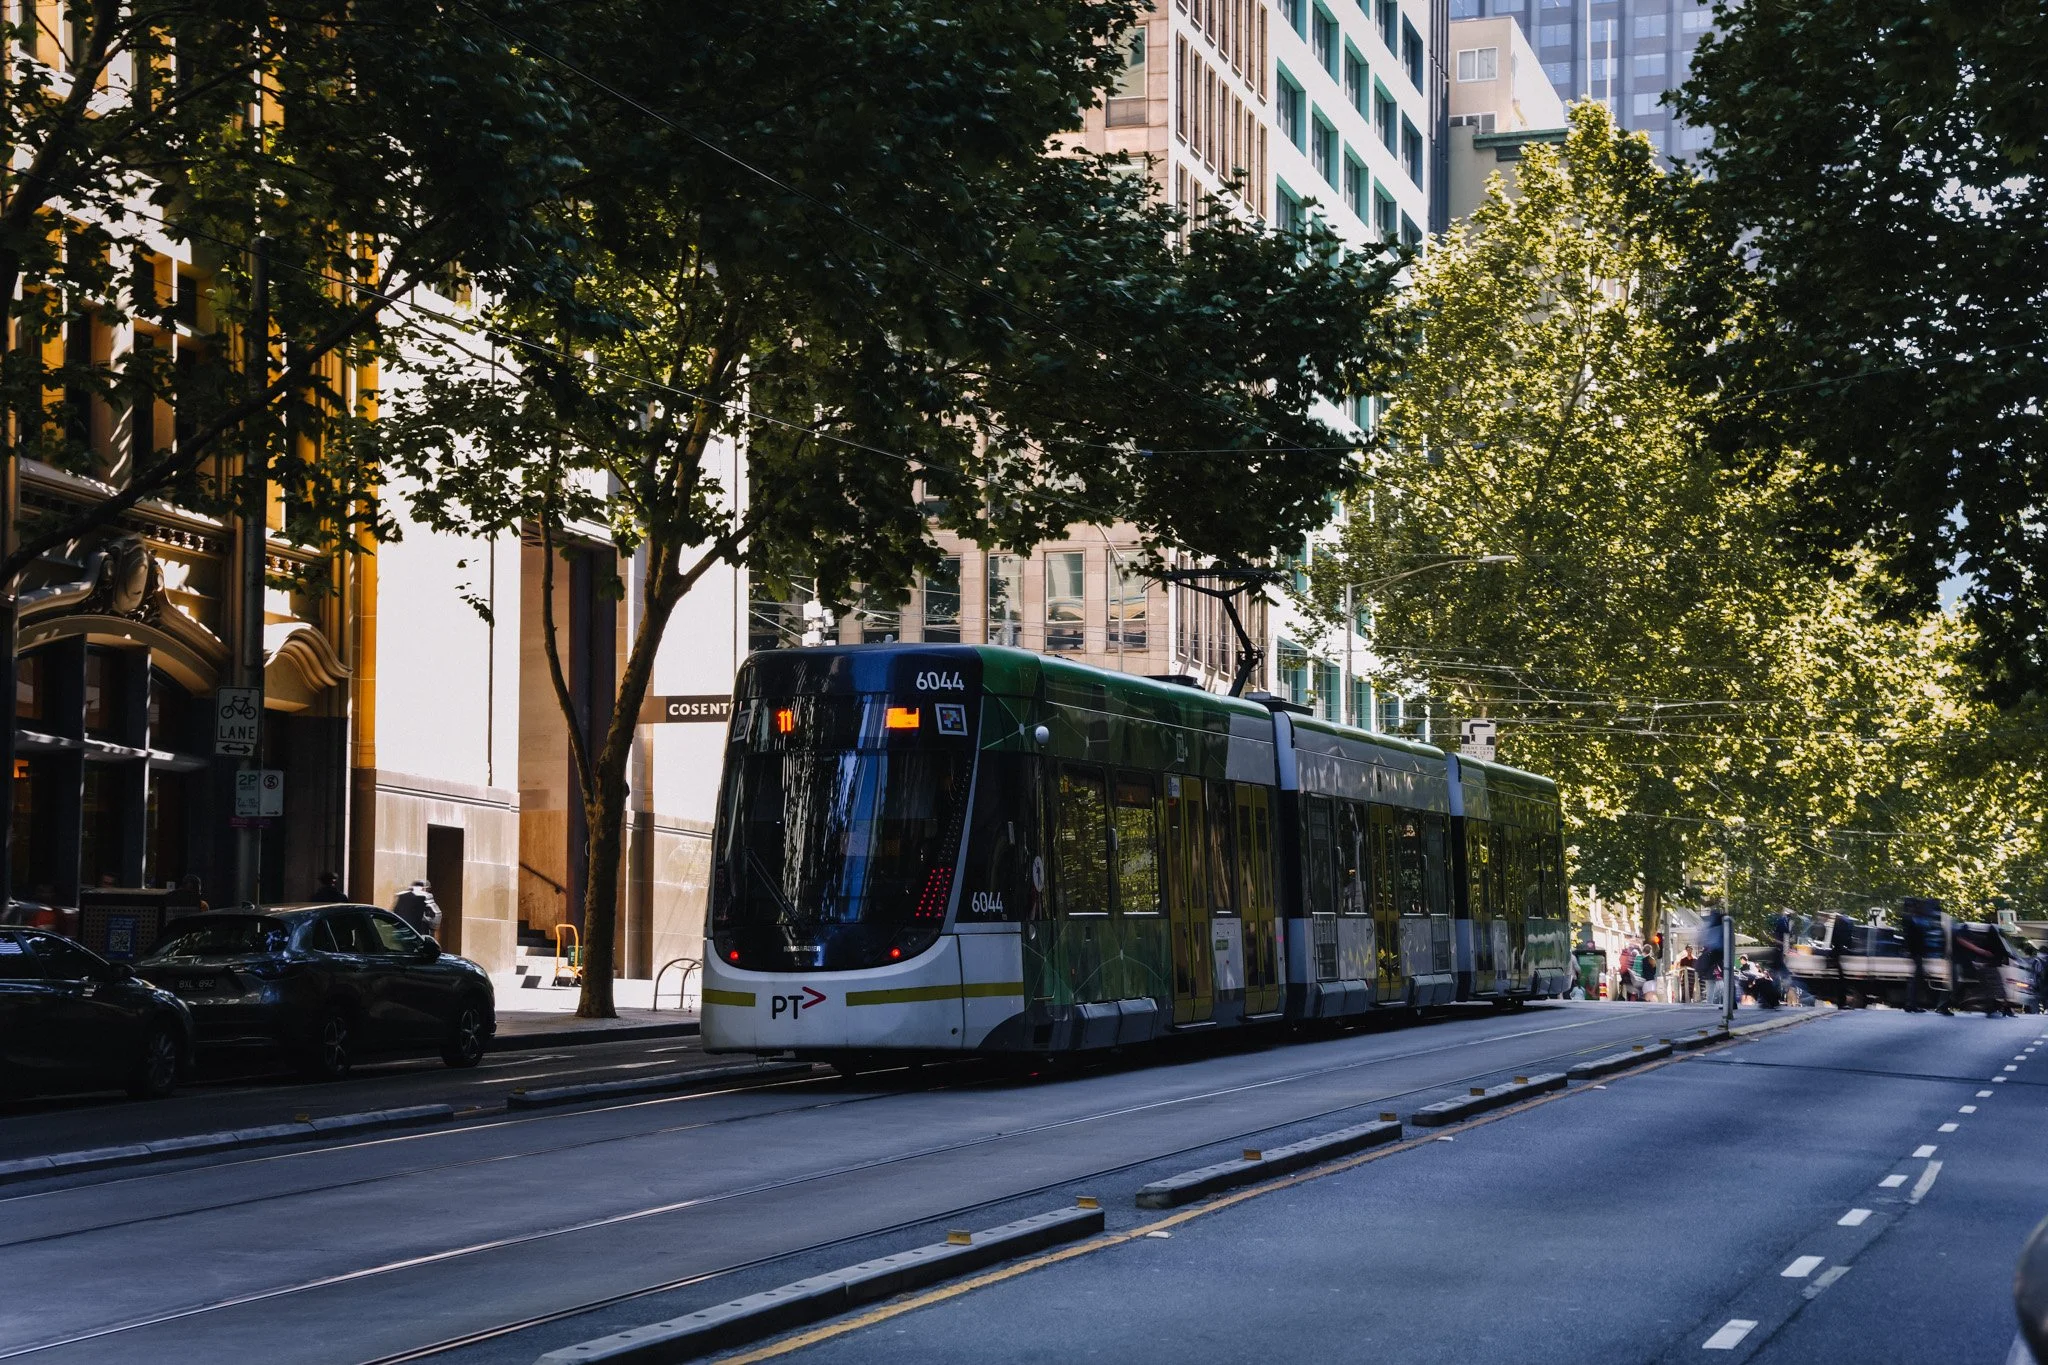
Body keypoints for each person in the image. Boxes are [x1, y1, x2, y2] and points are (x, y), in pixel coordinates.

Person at [1900, 898, 1934, 1013]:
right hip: (1915, 952)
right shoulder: (1911, 920)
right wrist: (1910, 950)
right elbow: (1911, 938)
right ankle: (1911, 1003)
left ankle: (1911, 1003)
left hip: (1916, 951)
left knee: (1917, 977)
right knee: (1917, 978)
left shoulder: (1915, 920)